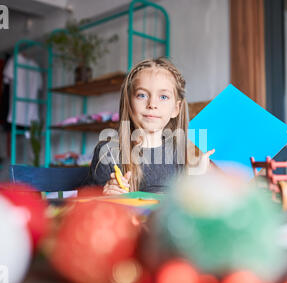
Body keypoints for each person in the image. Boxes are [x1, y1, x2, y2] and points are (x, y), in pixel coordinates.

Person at [88, 57, 215, 195]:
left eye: (163, 97)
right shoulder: (108, 152)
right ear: (129, 103)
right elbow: (91, 207)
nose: (152, 104)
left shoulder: (186, 153)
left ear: (176, 109)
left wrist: (200, 179)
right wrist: (107, 195)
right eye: (141, 95)